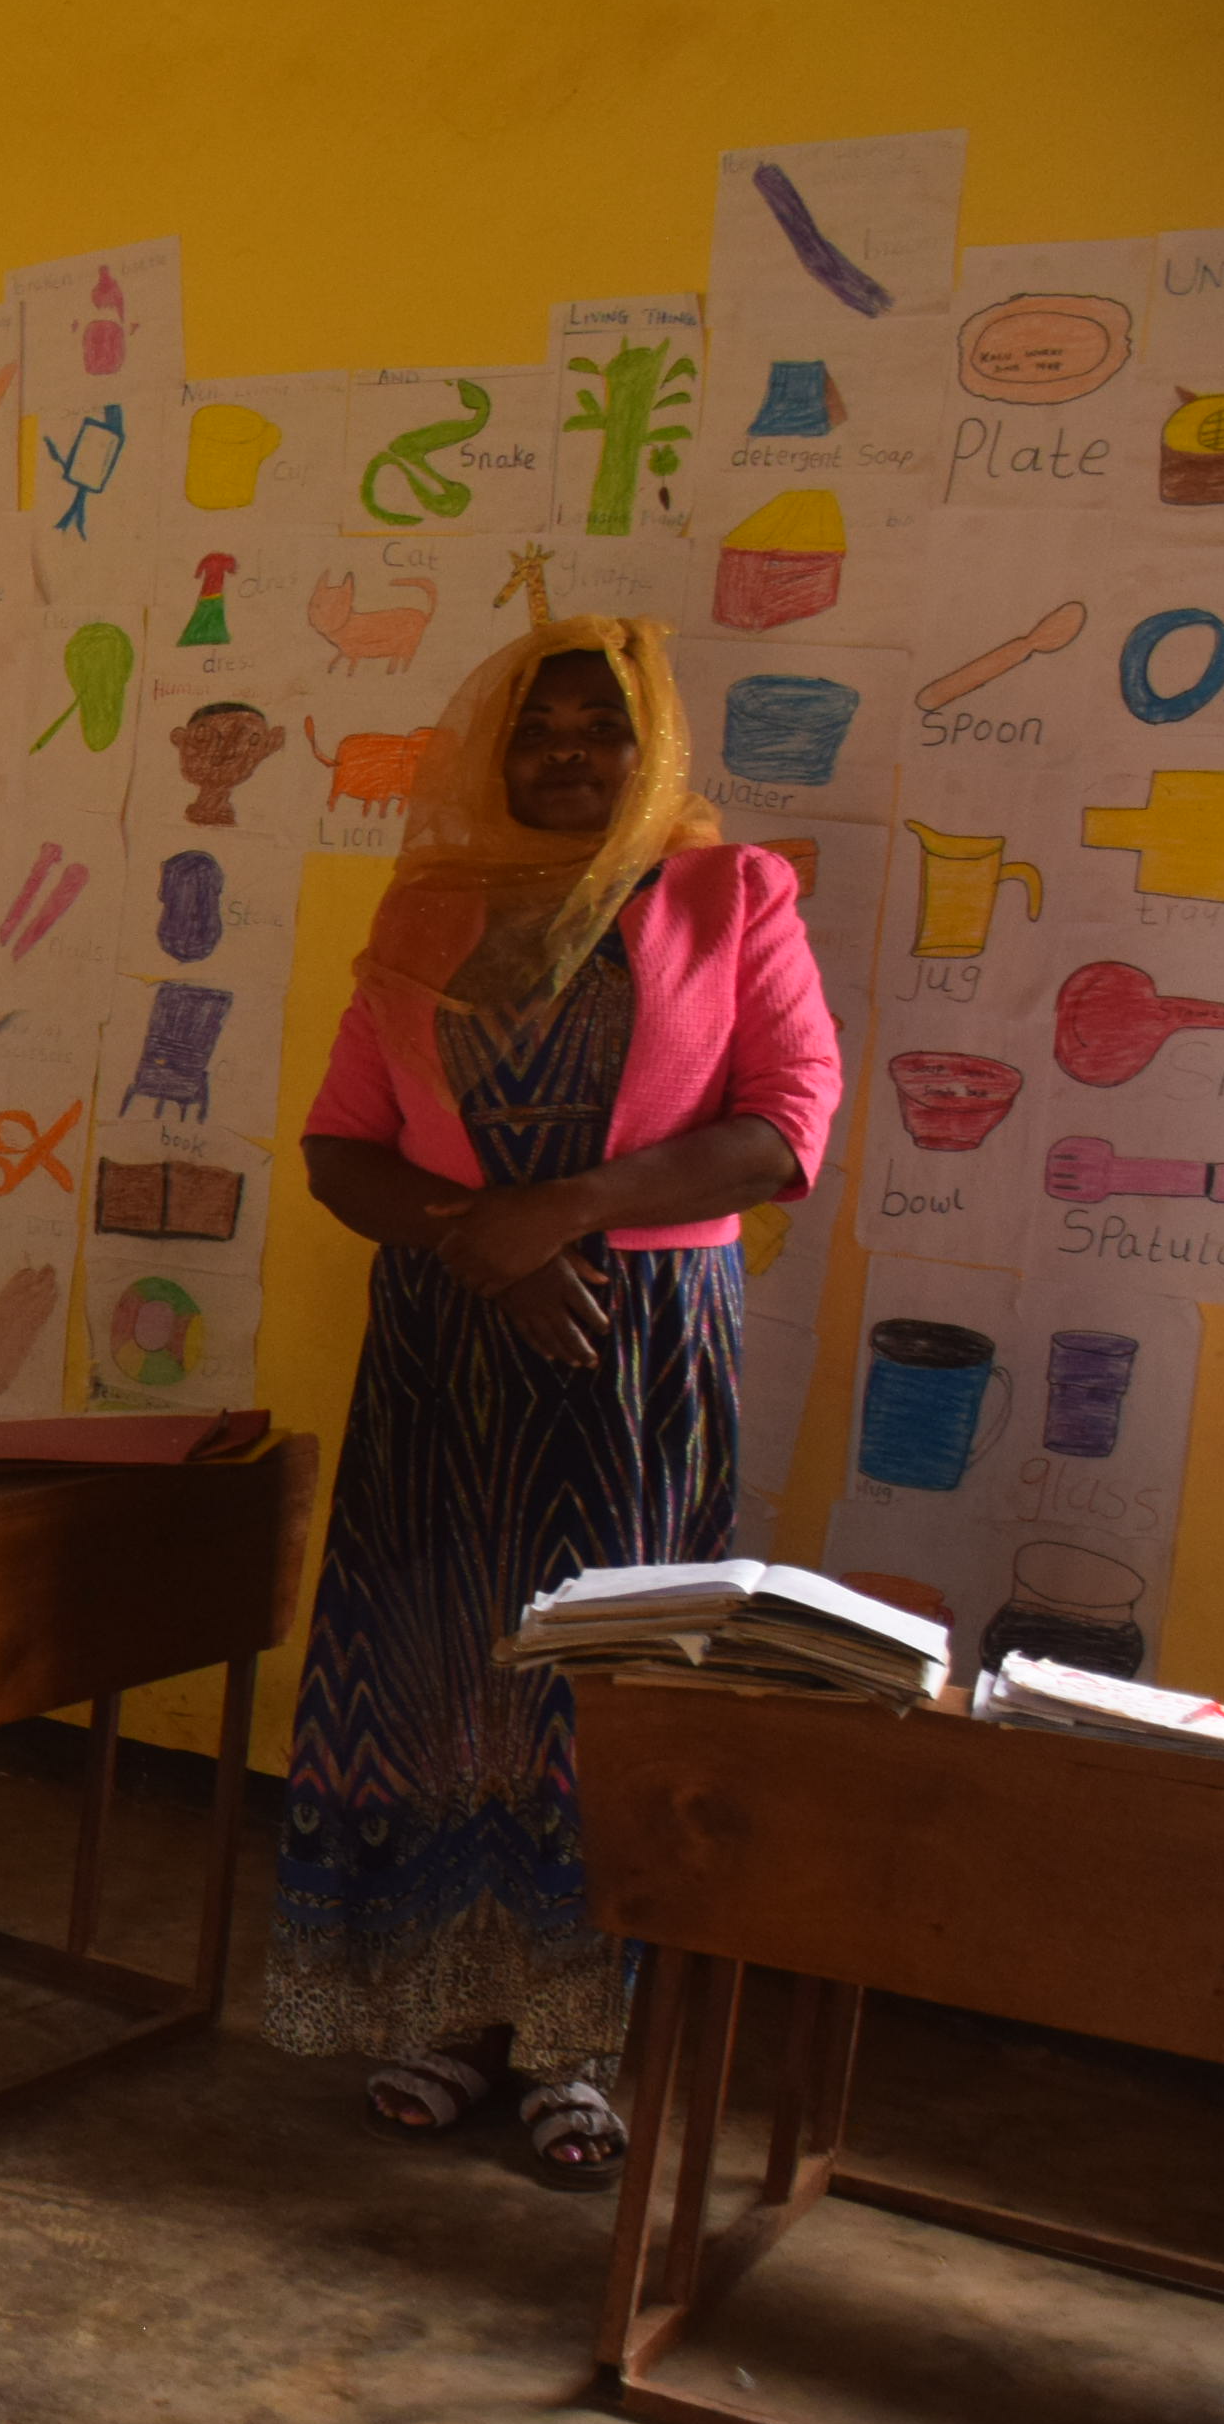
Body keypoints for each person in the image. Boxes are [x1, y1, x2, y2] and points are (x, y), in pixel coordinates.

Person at [273, 616, 839, 2186]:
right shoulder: (431, 909)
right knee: (441, 1665)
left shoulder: (735, 894)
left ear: (651, 741)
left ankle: (578, 2045)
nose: (568, 752)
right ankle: (447, 2019)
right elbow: (340, 1145)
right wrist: (484, 1244)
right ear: (494, 752)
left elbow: (786, 1124)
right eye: (540, 729)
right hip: (452, 1340)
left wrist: (561, 1210)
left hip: (636, 1350)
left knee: (605, 1688)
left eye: (602, 724)